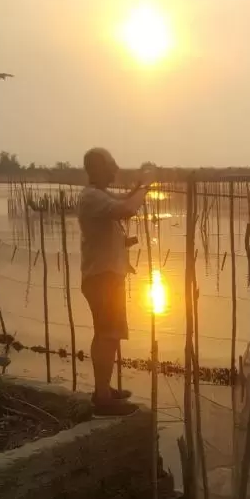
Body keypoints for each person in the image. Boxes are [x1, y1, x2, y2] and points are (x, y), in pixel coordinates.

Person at [78, 147, 150, 417]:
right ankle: (103, 398)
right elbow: (127, 208)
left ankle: (104, 390)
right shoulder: (92, 197)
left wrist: (138, 188)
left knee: (110, 334)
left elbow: (124, 200)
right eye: (111, 164)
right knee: (108, 334)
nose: (116, 168)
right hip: (102, 278)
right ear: (97, 168)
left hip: (107, 276)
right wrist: (144, 186)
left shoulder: (98, 195)